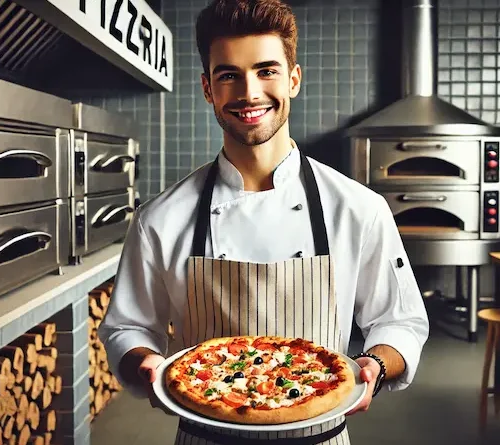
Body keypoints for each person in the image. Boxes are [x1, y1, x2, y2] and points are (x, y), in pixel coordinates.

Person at [99, 0, 430, 443]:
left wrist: (376, 365)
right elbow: (129, 327)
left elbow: (401, 320)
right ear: (207, 88)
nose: (249, 92)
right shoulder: (159, 219)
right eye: (229, 75)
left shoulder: (358, 208)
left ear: (293, 79)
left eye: (266, 71)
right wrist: (144, 363)